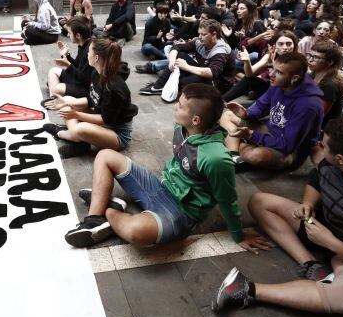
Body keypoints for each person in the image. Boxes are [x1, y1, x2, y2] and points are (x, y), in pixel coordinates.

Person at [212, 118, 343, 316]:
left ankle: (247, 289)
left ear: (341, 158)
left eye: (325, 145)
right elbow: (317, 179)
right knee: (259, 202)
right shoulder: (337, 163)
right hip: (320, 229)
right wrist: (307, 204)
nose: (320, 145)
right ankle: (312, 265)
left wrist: (333, 243)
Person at [63, 84, 270, 252]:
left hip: (180, 212)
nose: (174, 107)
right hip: (159, 186)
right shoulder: (184, 127)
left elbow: (227, 199)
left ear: (196, 120)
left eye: (179, 106)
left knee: (136, 232)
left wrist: (238, 235)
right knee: (105, 155)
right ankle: (94, 220)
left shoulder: (216, 158)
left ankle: (108, 210)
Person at [220, 52, 324, 170]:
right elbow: (261, 105)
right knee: (227, 115)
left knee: (256, 156)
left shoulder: (308, 105)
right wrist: (246, 114)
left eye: (278, 72)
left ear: (294, 78)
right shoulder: (279, 83)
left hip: (290, 150)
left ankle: (234, 142)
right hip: (269, 130)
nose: (271, 74)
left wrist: (252, 135)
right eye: (272, 69)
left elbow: (287, 145)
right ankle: (234, 156)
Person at [43, 39, 138, 158]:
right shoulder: (96, 72)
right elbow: (91, 99)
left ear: (96, 58)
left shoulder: (114, 87)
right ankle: (80, 141)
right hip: (103, 120)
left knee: (81, 128)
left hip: (118, 134)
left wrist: (76, 115)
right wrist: (67, 102)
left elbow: (105, 119)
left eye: (89, 52)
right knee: (68, 101)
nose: (87, 54)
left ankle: (61, 133)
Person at [139, 20, 235, 96]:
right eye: (199, 34)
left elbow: (212, 72)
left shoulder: (221, 50)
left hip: (218, 83)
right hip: (203, 72)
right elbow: (177, 47)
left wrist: (186, 67)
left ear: (214, 34)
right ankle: (159, 86)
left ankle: (166, 85)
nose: (200, 37)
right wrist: (171, 62)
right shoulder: (200, 42)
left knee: (182, 82)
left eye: (204, 34)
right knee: (180, 56)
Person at [222, 31, 299, 103]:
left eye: (289, 44)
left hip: (282, 95)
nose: (285, 47)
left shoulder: (298, 61)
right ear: (275, 46)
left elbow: (280, 84)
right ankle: (221, 101)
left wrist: (271, 65)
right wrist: (247, 61)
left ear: (294, 45)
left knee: (242, 109)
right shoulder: (270, 55)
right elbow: (249, 74)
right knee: (248, 78)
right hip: (268, 87)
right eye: (281, 44)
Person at [46, 16, 94, 99]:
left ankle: (54, 99)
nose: (68, 35)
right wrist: (66, 55)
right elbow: (77, 65)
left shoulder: (89, 51)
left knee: (57, 88)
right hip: (78, 80)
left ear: (78, 35)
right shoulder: (83, 45)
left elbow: (84, 79)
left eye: (69, 33)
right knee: (52, 71)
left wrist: (68, 65)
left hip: (85, 88)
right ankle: (56, 95)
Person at [307, 41, 343, 127]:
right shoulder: (312, 75)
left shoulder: (330, 85)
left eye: (316, 57)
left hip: (323, 128)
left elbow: (318, 115)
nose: (310, 60)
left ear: (330, 62)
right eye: (309, 55)